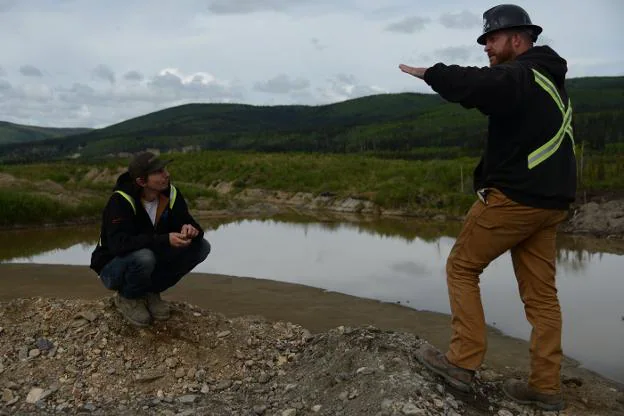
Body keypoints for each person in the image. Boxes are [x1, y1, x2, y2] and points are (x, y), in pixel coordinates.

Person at [398, 4, 575, 411]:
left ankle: (462, 362)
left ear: (518, 38)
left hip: (514, 199)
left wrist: (433, 73)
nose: (487, 48)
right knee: (542, 297)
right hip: (551, 203)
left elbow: (479, 85)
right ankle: (545, 387)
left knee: (461, 267)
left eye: (491, 39)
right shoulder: (550, 81)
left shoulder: (520, 75)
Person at [90, 151, 211, 327]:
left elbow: (194, 227)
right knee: (144, 256)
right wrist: (164, 240)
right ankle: (128, 297)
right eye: (159, 172)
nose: (167, 174)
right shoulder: (120, 201)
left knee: (201, 247)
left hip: (150, 260)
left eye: (165, 169)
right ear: (141, 181)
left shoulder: (171, 194)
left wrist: (191, 231)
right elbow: (118, 245)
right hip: (113, 268)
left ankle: (151, 292)